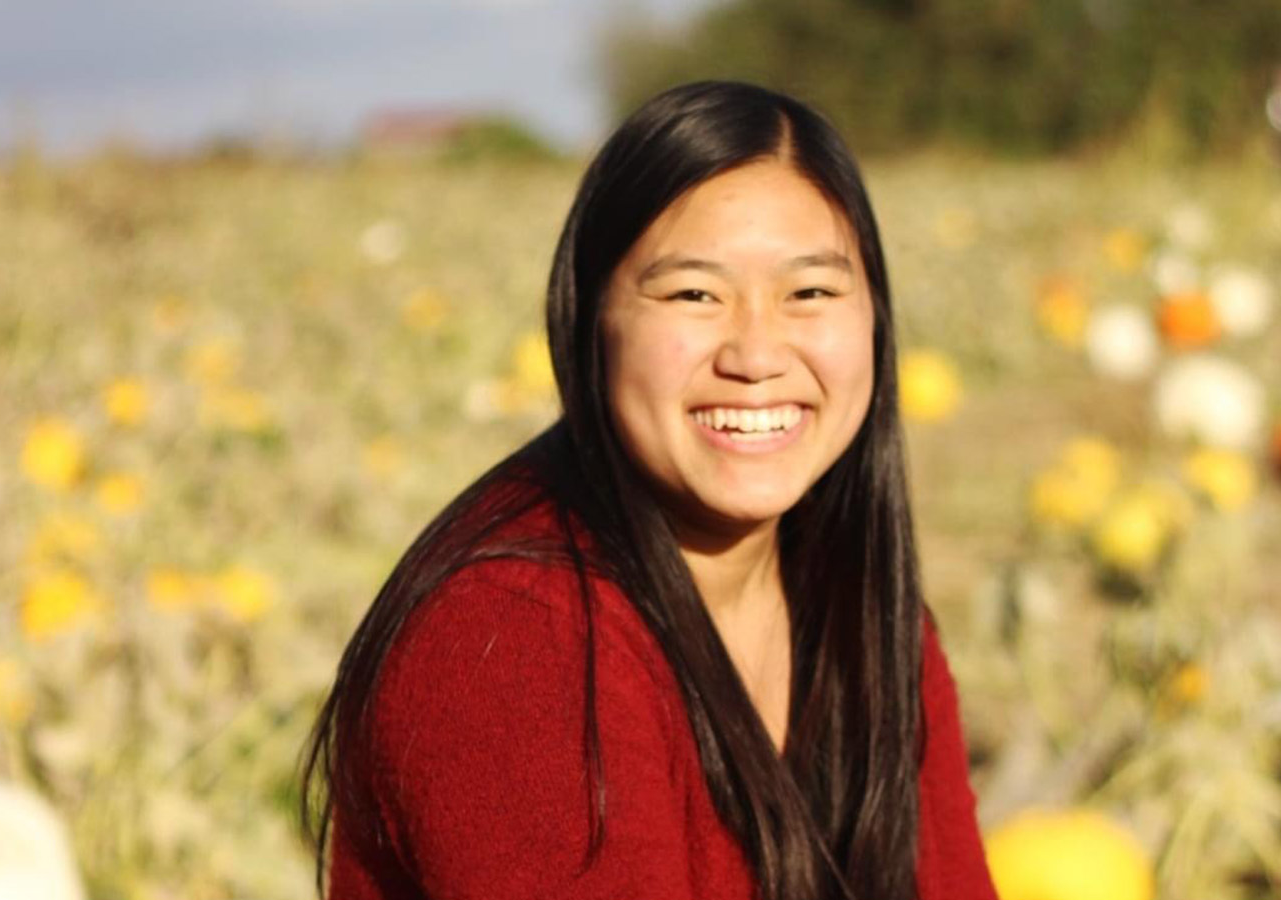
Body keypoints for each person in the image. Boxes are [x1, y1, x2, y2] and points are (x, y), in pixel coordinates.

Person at [299, 80, 998, 900]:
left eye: (810, 292)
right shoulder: (515, 639)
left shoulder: (869, 614)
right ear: (588, 319)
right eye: (694, 294)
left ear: (875, 320)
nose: (756, 353)